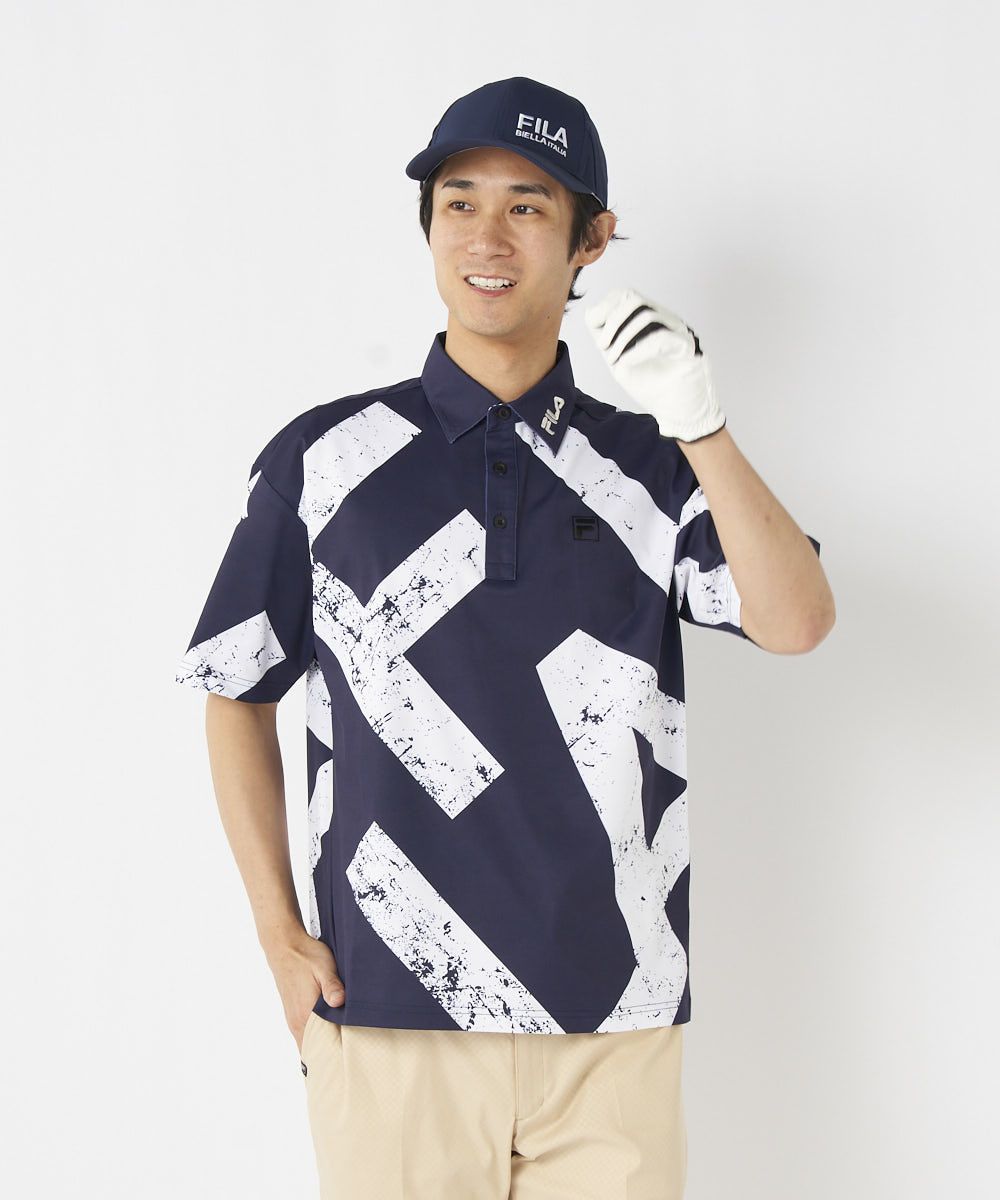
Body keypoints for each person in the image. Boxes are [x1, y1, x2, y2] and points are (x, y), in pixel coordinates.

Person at [175, 75, 834, 1200]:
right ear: (429, 226)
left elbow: (796, 620)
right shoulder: (326, 458)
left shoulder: (651, 464)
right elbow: (236, 686)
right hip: (389, 1013)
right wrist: (278, 934)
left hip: (615, 1020)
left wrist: (701, 425)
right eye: (459, 202)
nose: (487, 236)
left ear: (591, 240)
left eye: (527, 206)